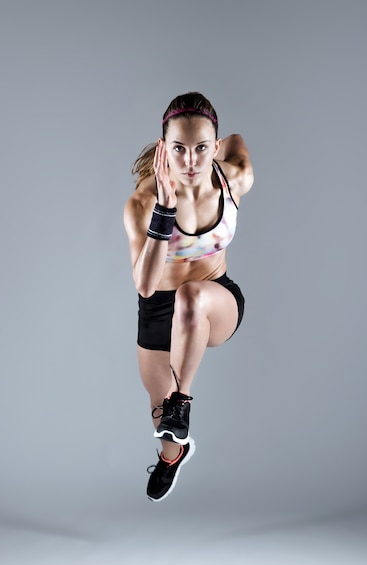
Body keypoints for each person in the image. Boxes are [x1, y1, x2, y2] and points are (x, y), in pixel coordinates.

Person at [123, 92, 254, 502]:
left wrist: (226, 143)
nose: (191, 161)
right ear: (165, 149)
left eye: (202, 148)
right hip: (158, 307)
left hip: (215, 301)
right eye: (179, 149)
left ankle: (182, 401)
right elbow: (144, 286)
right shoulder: (143, 203)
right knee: (162, 424)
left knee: (191, 296)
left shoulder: (235, 179)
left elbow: (237, 140)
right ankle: (172, 454)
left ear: (215, 148)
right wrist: (165, 209)